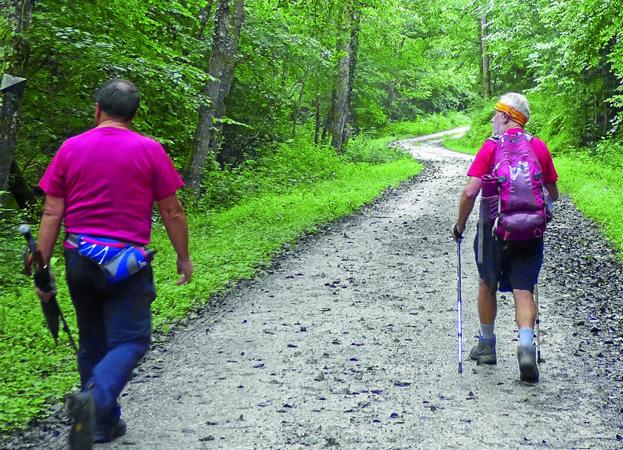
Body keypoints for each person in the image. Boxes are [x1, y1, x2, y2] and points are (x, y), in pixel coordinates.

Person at [36, 79, 192, 449]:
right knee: (131, 339)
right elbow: (171, 209)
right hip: (125, 262)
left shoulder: (71, 148)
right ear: (133, 115)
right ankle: (95, 401)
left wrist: (41, 267)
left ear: (97, 109)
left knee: (92, 340)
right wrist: (183, 257)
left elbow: (52, 210)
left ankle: (103, 425)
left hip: (79, 257)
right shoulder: (149, 149)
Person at [452, 92, 558, 383]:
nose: (492, 119)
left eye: (496, 114)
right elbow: (553, 192)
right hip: (530, 230)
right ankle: (525, 343)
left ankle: (487, 345)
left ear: (507, 116)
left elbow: (469, 192)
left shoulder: (490, 147)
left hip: (493, 230)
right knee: (524, 288)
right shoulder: (538, 146)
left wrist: (460, 225)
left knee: (487, 282)